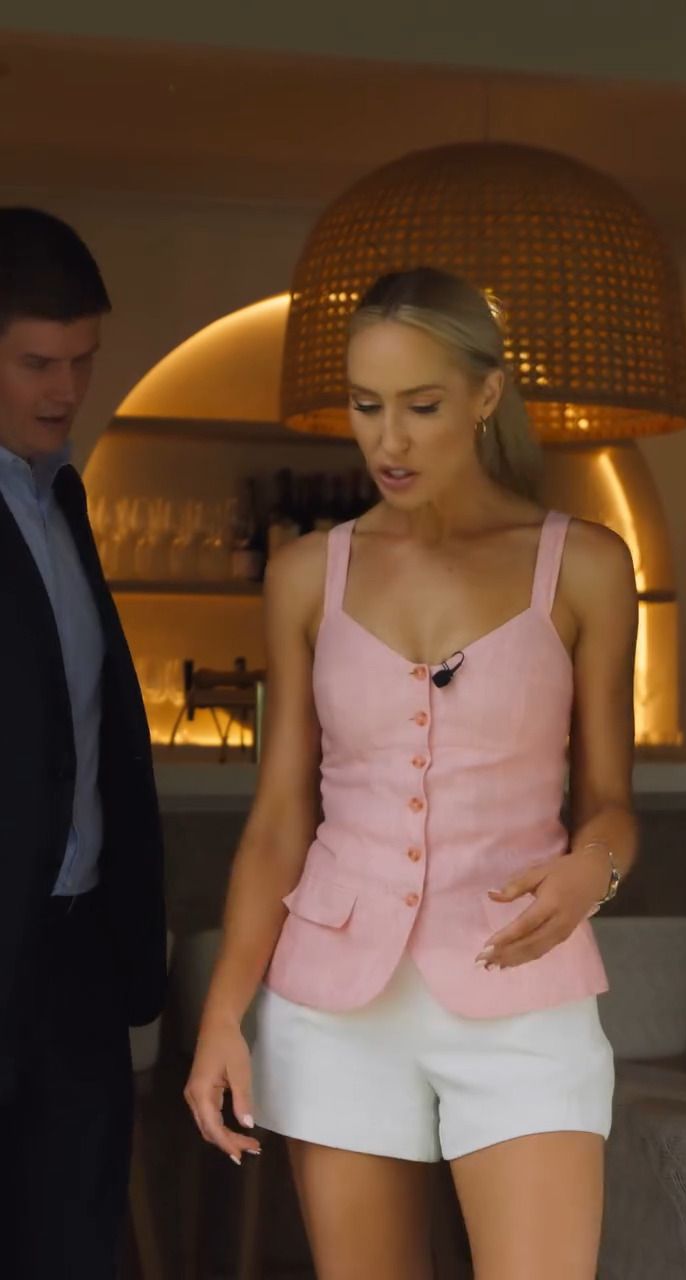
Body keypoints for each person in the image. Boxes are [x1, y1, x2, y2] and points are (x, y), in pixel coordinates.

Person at [186, 266, 638, 1279]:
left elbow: (612, 802)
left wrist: (592, 870)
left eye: (422, 406)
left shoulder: (586, 565)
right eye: (366, 405)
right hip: (334, 1008)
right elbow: (279, 820)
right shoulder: (307, 574)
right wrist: (224, 1013)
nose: (388, 441)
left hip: (523, 994)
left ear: (486, 394)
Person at [0, 207, 166, 1279]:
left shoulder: (63, 494)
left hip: (75, 959)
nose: (66, 389)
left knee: (73, 1248)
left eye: (82, 360)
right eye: (36, 363)